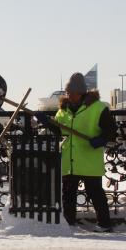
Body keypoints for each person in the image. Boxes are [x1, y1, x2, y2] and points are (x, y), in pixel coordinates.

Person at [36, 73, 116, 232]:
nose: (67, 95)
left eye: (70, 92)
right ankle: (69, 223)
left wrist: (100, 139)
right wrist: (46, 121)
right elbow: (60, 130)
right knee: (68, 194)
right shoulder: (63, 110)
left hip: (89, 159)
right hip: (69, 159)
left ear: (80, 92)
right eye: (66, 92)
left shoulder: (98, 108)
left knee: (95, 194)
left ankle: (105, 224)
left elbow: (111, 131)